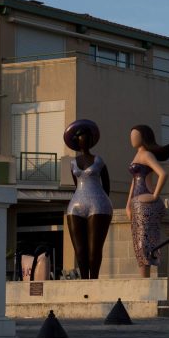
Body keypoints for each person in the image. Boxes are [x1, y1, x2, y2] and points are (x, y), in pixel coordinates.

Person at [64, 119, 112, 279]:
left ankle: (94, 279)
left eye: (86, 136)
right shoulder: (72, 163)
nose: (83, 139)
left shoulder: (99, 161)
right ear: (76, 141)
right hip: (76, 205)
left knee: (94, 249)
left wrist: (103, 201)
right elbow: (75, 183)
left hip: (98, 204)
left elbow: (107, 185)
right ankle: (84, 279)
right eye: (80, 136)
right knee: (80, 250)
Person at [126, 125, 169, 278]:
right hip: (137, 203)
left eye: (135, 136)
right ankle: (143, 278)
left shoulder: (146, 155)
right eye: (131, 136)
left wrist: (154, 195)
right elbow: (134, 181)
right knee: (138, 241)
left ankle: (146, 279)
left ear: (143, 137)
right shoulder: (137, 155)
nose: (132, 139)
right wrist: (128, 204)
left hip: (146, 202)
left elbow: (163, 173)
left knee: (144, 241)